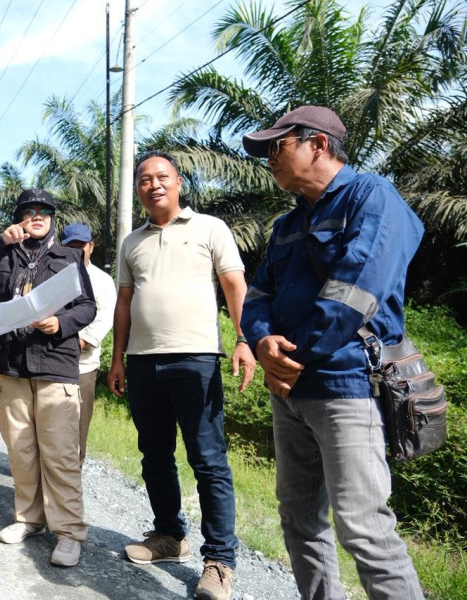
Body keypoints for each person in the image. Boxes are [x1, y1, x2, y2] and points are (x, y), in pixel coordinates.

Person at [240, 105, 425, 599]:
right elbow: (257, 297)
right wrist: (261, 342)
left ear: (317, 144)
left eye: (277, 148)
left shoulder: (373, 198)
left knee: (364, 529)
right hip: (290, 390)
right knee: (299, 520)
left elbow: (355, 294)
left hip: (346, 388)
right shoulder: (286, 224)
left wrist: (291, 361)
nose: (269, 161)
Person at [107, 151, 255, 600]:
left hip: (196, 359)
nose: (153, 185)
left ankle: (219, 561)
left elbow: (234, 286)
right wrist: (118, 359)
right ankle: (169, 536)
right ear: (137, 190)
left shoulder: (210, 228)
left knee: (208, 460)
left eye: (162, 177)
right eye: (144, 180)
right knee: (154, 455)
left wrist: (244, 339)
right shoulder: (131, 242)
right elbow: (124, 303)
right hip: (143, 362)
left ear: (178, 182)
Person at [0, 189, 96, 568]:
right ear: (19, 218)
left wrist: (60, 323)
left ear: (53, 217)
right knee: (21, 451)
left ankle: (69, 532)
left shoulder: (69, 256)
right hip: (10, 366)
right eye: (28, 212)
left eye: (43, 211)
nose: (36, 216)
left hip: (54, 364)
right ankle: (29, 519)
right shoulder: (5, 252)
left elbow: (87, 306)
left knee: (59, 455)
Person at [59, 223, 116, 464]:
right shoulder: (53, 274)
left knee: (78, 427)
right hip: (50, 366)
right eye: (70, 246)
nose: (76, 251)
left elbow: (104, 317)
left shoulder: (102, 281)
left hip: (83, 366)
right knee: (49, 428)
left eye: (80, 246)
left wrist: (80, 342)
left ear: (91, 247)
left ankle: (71, 484)